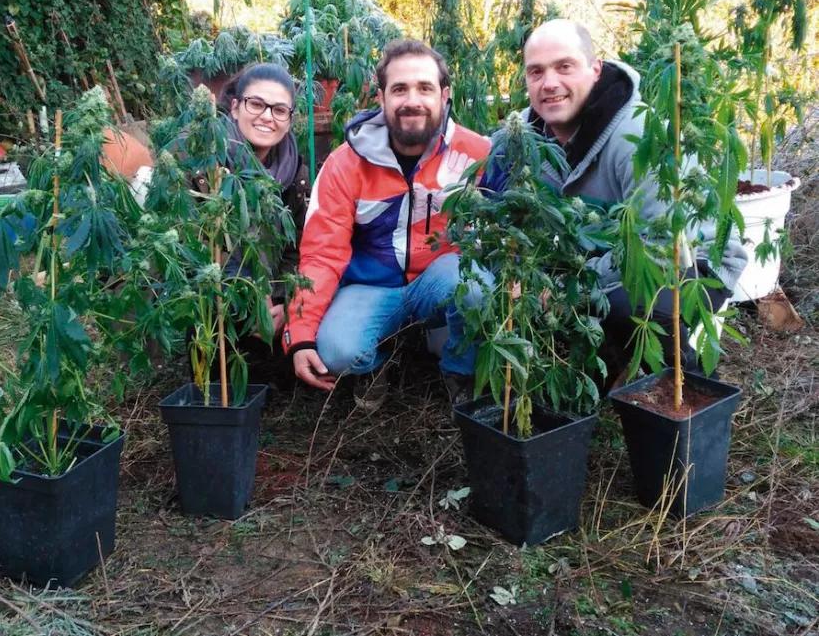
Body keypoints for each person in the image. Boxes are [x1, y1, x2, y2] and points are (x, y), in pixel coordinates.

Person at [485, 19, 747, 380]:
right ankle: (601, 369)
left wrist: (563, 290)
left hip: (689, 262)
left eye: (564, 66)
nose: (549, 83)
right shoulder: (525, 140)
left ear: (595, 70)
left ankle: (682, 382)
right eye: (536, 72)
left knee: (630, 304)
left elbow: (661, 245)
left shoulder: (636, 136)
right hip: (598, 260)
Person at [283, 39, 491, 393]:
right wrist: (300, 334)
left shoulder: (476, 154)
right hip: (371, 287)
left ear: (444, 95)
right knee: (337, 352)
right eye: (399, 89)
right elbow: (322, 253)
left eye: (425, 88)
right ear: (381, 98)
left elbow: (505, 230)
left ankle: (460, 373)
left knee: (475, 289)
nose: (412, 100)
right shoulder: (345, 163)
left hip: (440, 282)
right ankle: (378, 361)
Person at [218, 63, 310, 332]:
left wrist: (281, 299)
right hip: (216, 307)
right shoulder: (206, 162)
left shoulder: (294, 172)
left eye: (279, 110)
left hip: (269, 304)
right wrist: (250, 298)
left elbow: (296, 247)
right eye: (256, 104)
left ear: (289, 119)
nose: (267, 117)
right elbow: (194, 251)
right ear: (235, 107)